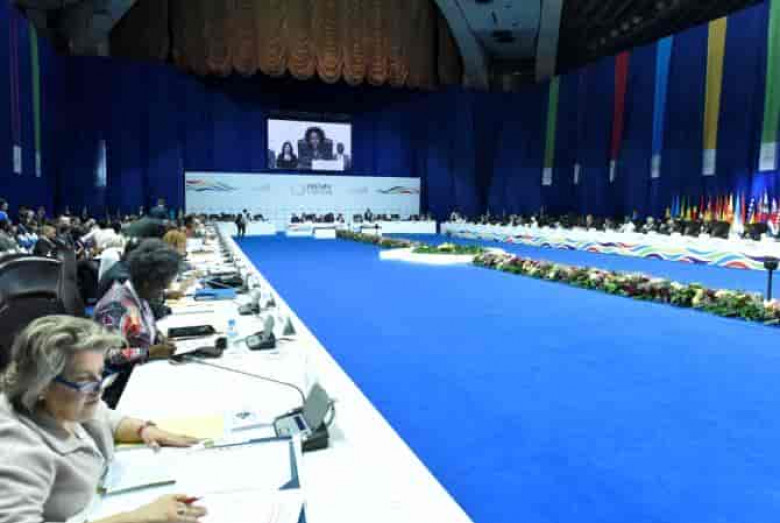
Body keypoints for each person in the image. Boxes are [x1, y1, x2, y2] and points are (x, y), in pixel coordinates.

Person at [0, 315, 206, 523]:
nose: (98, 390)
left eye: (100, 374)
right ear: (41, 386)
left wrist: (142, 430)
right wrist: (139, 518)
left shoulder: (64, 404)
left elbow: (103, 416)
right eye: (84, 380)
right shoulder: (17, 450)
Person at [93, 239, 181, 407]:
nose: (162, 294)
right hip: (117, 388)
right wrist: (148, 352)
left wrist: (158, 337)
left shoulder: (138, 296)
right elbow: (107, 355)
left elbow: (141, 327)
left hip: (137, 373)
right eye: (161, 287)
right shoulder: (116, 306)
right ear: (148, 282)